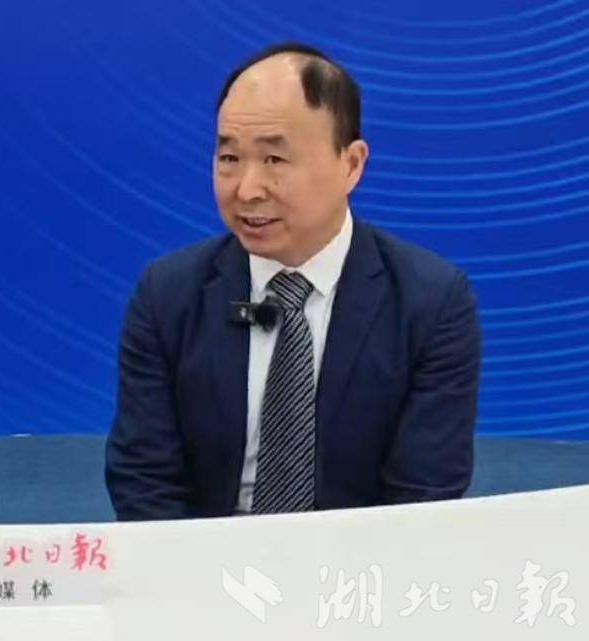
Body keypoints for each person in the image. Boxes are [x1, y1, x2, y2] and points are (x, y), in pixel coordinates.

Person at [105, 43, 481, 520]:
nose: (247, 189)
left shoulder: (431, 303)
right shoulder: (168, 295)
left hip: (361, 563)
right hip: (205, 556)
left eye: (275, 160)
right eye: (229, 157)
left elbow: (422, 500)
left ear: (352, 164)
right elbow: (144, 480)